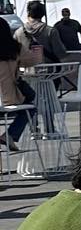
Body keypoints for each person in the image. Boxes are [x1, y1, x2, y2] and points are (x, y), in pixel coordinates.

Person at [0, 12, 38, 148]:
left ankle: (9, 136)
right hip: (9, 98)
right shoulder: (15, 47)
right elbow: (34, 60)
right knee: (31, 105)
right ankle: (10, 135)